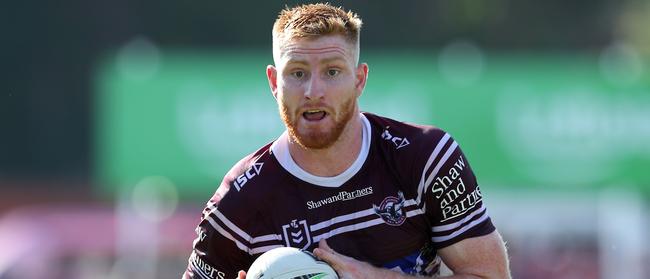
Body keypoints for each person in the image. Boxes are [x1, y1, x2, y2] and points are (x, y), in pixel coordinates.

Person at [183, 3, 510, 279]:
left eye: (332, 71)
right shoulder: (237, 205)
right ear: (273, 82)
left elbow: (489, 275)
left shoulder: (426, 158)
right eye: (297, 73)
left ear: (359, 79)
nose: (313, 90)